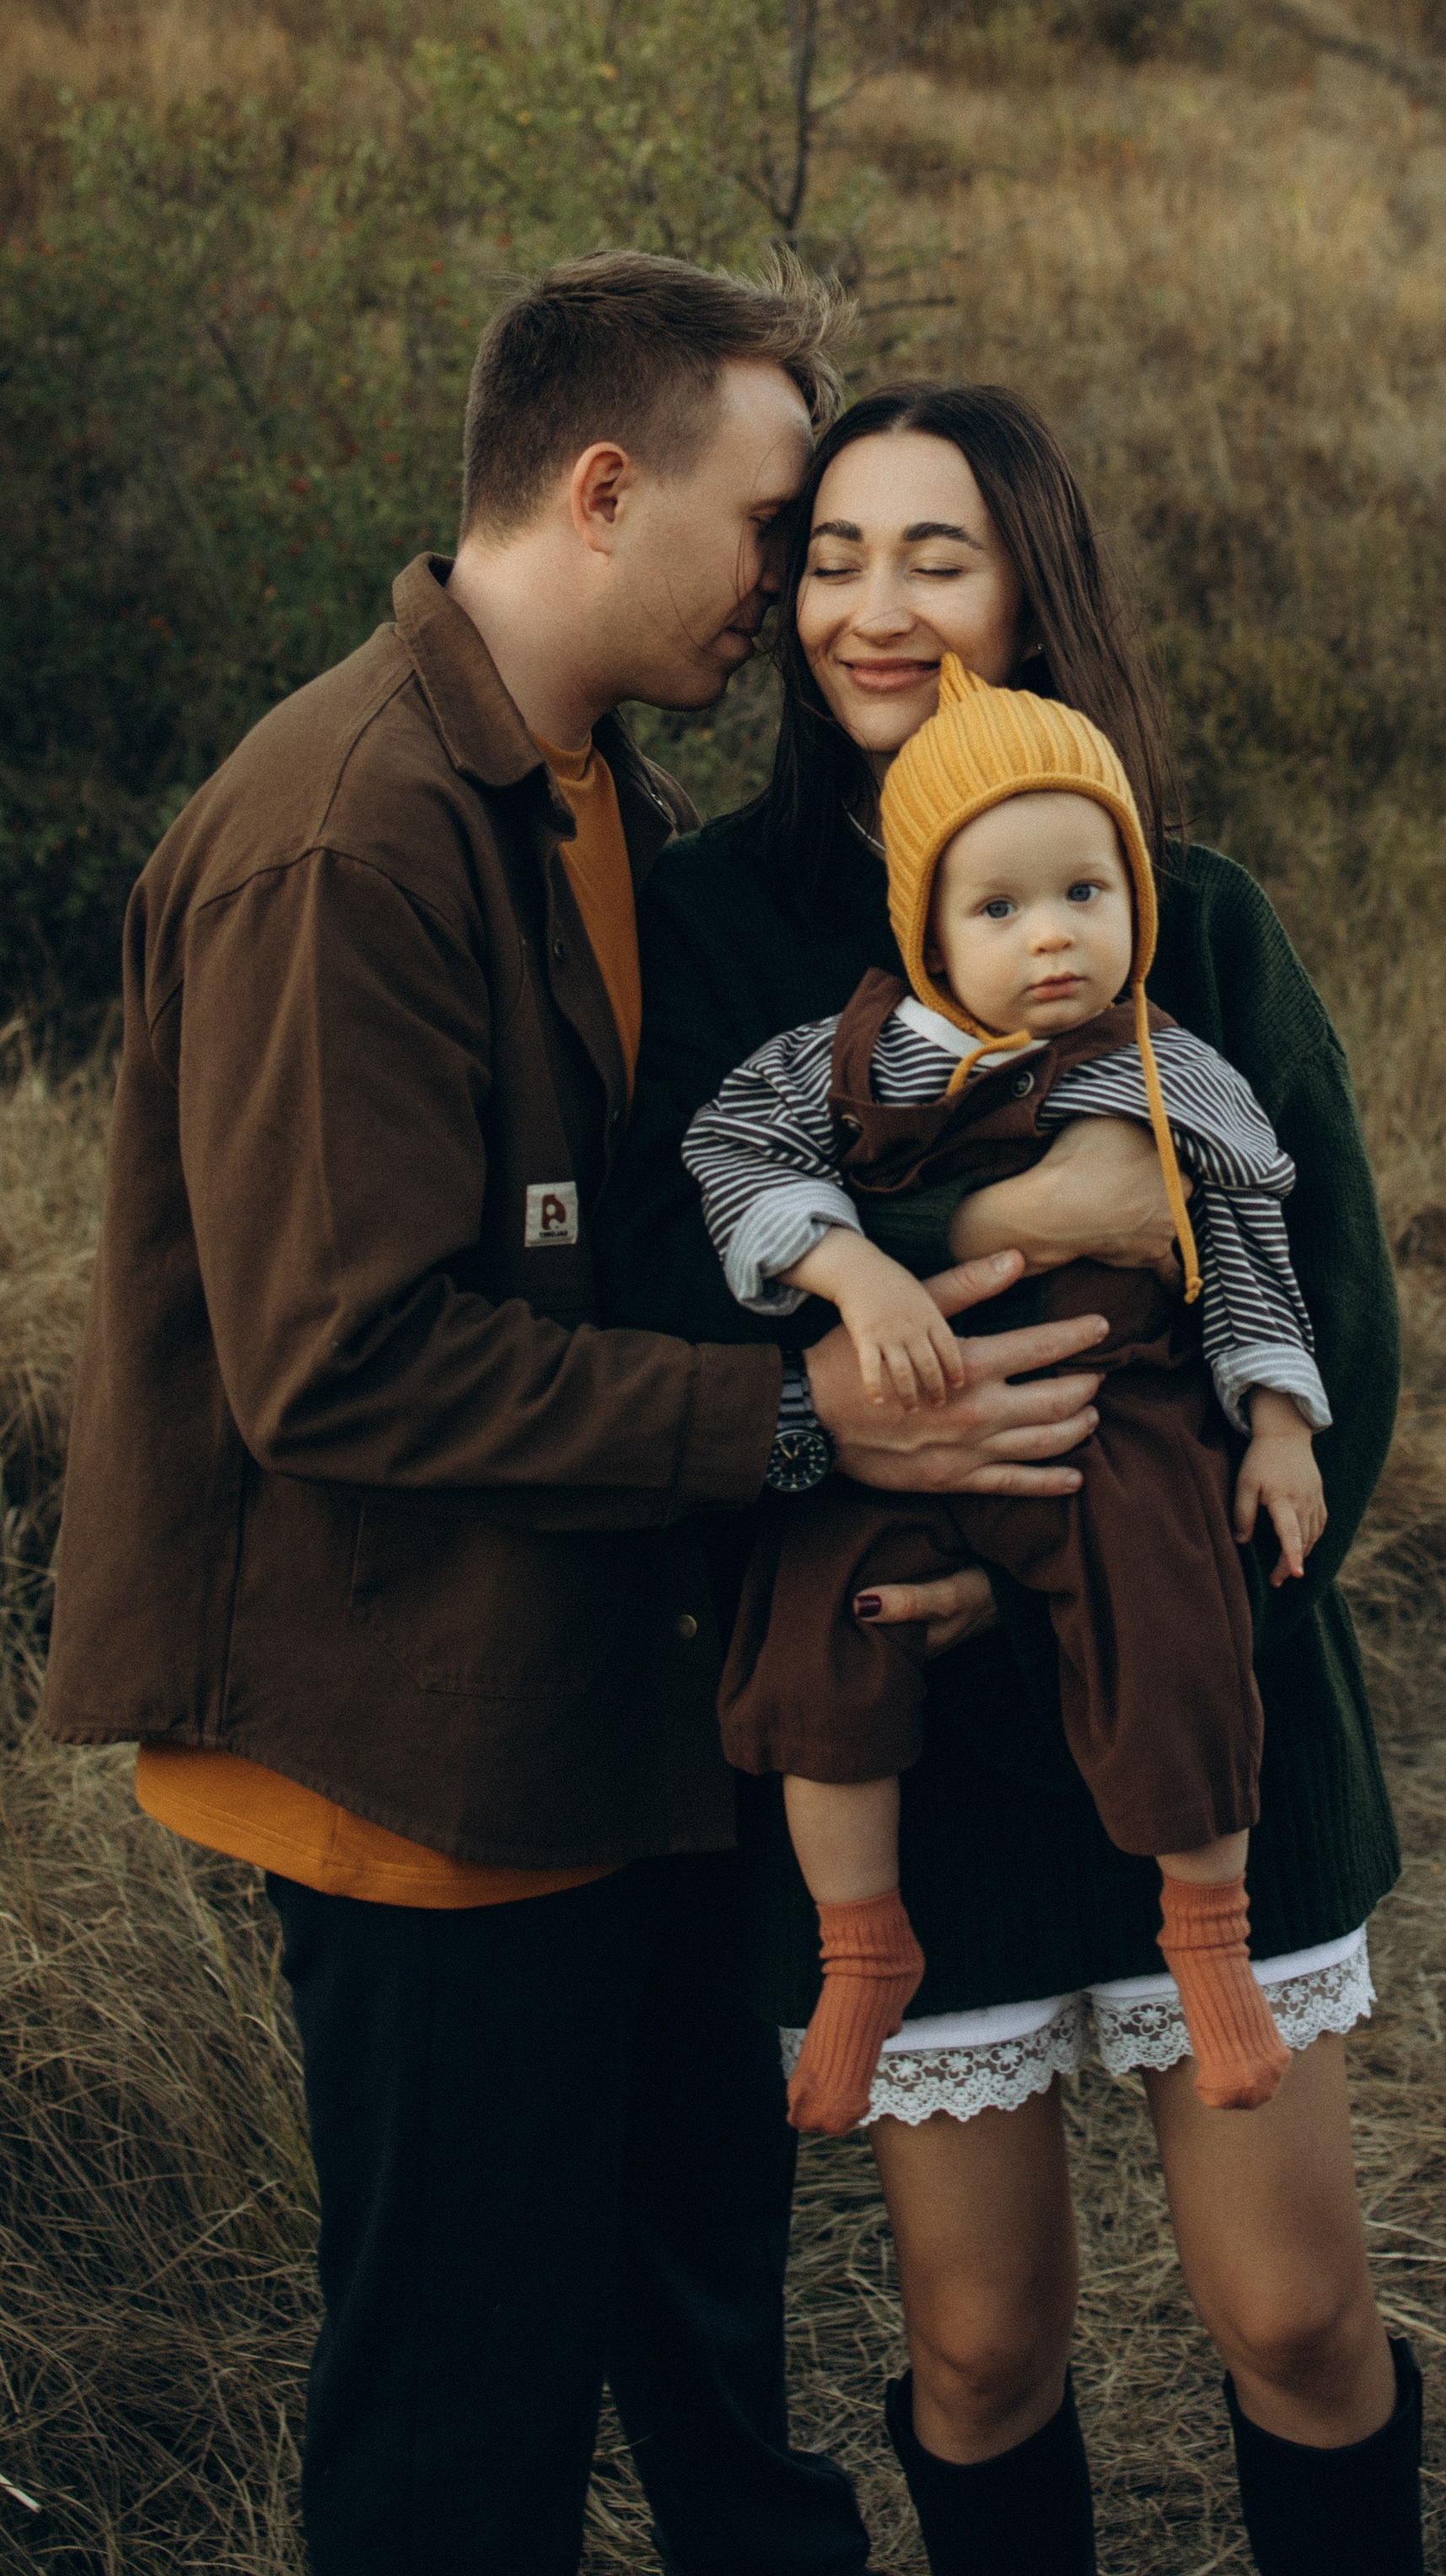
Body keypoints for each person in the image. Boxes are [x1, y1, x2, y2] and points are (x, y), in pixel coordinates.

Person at [40, 259, 1119, 2576]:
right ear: (605, 490)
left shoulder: (583, 797)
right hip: (421, 1777)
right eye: (769, 525)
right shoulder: (347, 830)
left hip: (611, 1733)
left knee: (718, 2374)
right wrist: (816, 1432)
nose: (797, 587)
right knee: (460, 2430)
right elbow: (347, 1362)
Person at [605, 384, 1424, 2576]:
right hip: (896, 1716)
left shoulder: (1189, 920)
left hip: (1194, 1678)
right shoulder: (724, 930)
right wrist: (994, 1239)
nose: (876, 608)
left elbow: (1332, 1316)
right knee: (978, 2347)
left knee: (1295, 2308)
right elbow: (678, 1310)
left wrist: (1134, 1513)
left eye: (937, 555)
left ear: (1030, 584)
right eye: (837, 557)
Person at [685, 655, 1335, 2132]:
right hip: (898, 1442)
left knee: (1176, 1614)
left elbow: (1248, 1244)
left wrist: (1281, 1420)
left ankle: (1207, 1936)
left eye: (1084, 897)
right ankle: (864, 1944)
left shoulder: (1167, 1072)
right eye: (999, 908)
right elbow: (728, 1163)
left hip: (1125, 1421)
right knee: (811, 1638)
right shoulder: (836, 1062)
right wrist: (851, 1273)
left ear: (1134, 905)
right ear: (925, 923)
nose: (1051, 940)